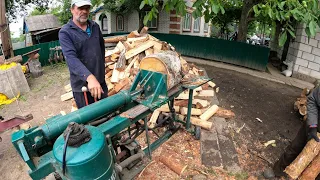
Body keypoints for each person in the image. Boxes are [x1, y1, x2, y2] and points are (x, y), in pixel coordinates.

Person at [59, 0, 107, 109]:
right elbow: (71, 59)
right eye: (80, 8)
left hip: (100, 83)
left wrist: (100, 73)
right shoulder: (65, 32)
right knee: (91, 122)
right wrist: (89, 78)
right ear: (72, 10)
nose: (84, 11)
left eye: (87, 8)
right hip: (82, 88)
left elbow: (101, 49)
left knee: (107, 117)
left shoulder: (95, 26)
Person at [263, 86, 320, 179]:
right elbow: (312, 99)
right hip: (313, 124)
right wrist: (313, 125)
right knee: (295, 147)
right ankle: (278, 170)